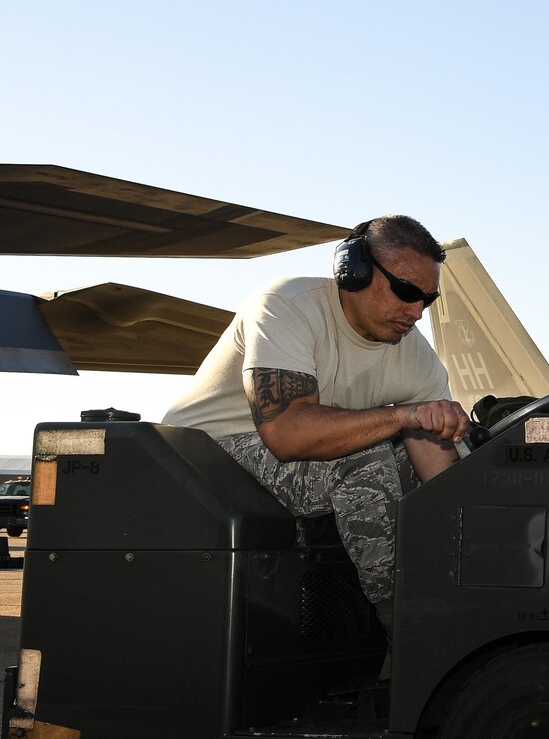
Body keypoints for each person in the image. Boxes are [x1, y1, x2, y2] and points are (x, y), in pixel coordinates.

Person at [163, 215, 468, 629]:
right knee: (366, 458)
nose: (415, 311)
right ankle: (402, 623)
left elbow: (442, 484)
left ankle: (458, 611)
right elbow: (287, 434)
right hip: (199, 462)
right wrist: (402, 416)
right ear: (353, 270)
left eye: (427, 300)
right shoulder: (287, 306)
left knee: (450, 473)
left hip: (291, 460)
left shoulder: (416, 357)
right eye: (405, 291)